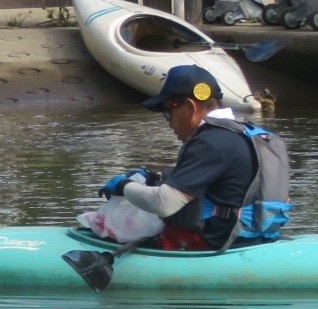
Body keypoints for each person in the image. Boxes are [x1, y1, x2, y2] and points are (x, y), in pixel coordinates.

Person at [101, 65, 291, 251]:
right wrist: (154, 180)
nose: (170, 124)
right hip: (256, 237)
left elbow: (164, 203)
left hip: (219, 243)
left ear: (190, 108)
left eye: (169, 113)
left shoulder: (210, 141)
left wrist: (123, 186)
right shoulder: (248, 134)